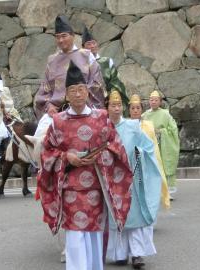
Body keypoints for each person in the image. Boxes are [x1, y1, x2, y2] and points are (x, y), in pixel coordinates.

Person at [37, 61, 132, 270]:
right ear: (66, 95)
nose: (78, 94)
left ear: (88, 92)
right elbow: (47, 152)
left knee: (94, 237)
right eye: (73, 90)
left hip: (95, 189)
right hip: (71, 189)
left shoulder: (102, 118)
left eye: (81, 89)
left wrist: (98, 156)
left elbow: (116, 148)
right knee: (75, 238)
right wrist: (66, 157)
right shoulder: (58, 121)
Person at [106, 91, 161, 269]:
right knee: (117, 217)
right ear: (106, 108)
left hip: (132, 177)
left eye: (118, 105)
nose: (116, 108)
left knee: (134, 216)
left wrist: (139, 155)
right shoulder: (103, 129)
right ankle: (120, 254)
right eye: (112, 105)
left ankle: (137, 254)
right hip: (113, 179)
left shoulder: (132, 126)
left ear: (122, 107)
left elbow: (147, 147)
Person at [33, 15, 105, 121]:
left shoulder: (86, 55)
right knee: (41, 135)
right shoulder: (52, 60)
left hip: (85, 109)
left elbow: (97, 84)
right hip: (57, 112)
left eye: (64, 36)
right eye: (57, 37)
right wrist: (49, 106)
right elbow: (45, 89)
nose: (61, 40)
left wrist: (79, 102)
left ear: (73, 36)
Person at [129, 94, 171, 207]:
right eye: (133, 108)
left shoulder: (148, 126)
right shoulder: (126, 125)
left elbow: (153, 147)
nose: (135, 111)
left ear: (141, 109)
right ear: (129, 110)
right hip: (131, 163)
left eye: (138, 108)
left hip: (146, 162)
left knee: (148, 192)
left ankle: (149, 219)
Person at [82, 26, 129, 113]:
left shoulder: (107, 62)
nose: (92, 46)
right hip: (85, 104)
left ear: (97, 45)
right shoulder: (80, 65)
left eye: (94, 43)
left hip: (106, 102)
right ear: (83, 48)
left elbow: (115, 81)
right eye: (88, 44)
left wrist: (110, 99)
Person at [142, 90, 180, 195]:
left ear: (160, 102)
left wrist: (161, 132)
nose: (153, 102)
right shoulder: (144, 115)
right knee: (152, 167)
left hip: (164, 145)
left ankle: (168, 192)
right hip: (150, 145)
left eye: (156, 100)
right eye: (151, 100)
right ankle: (154, 191)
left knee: (164, 166)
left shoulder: (165, 114)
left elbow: (173, 129)